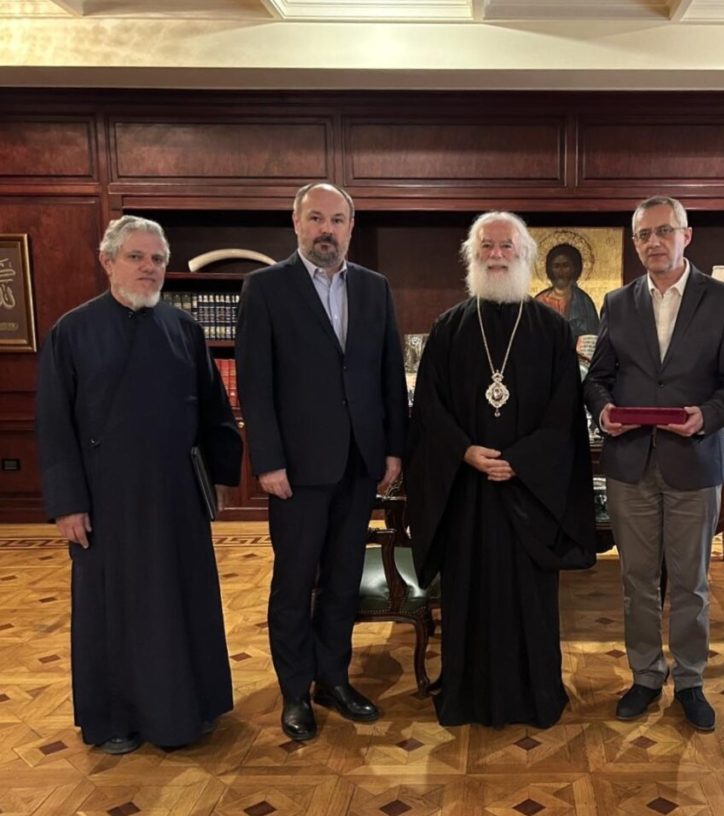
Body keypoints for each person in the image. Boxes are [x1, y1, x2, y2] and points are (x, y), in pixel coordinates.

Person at [35, 216, 242, 755]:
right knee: (116, 611)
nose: (149, 268)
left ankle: (189, 707)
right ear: (108, 262)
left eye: (157, 259)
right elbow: (54, 425)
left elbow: (214, 411)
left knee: (181, 601)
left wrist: (221, 475)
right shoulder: (71, 332)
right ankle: (117, 719)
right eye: (136, 257)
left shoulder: (184, 330)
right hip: (106, 502)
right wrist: (68, 504)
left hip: (177, 496)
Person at [405, 211, 596, 729]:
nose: (496, 254)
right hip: (466, 490)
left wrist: (520, 460)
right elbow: (429, 408)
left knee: (528, 598)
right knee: (468, 593)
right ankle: (466, 696)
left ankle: (535, 696)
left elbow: (565, 410)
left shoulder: (552, 330)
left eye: (506, 246)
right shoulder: (449, 327)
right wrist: (465, 451)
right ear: (472, 256)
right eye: (486, 246)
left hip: (527, 493)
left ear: (525, 255)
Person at [236, 182, 406, 741]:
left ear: (351, 227)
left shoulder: (375, 288)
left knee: (342, 580)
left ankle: (333, 678)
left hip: (359, 462)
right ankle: (294, 691)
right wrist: (268, 462)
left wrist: (393, 448)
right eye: (315, 218)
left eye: (336, 220)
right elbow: (255, 385)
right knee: (293, 582)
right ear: (296, 223)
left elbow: (388, 374)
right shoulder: (265, 287)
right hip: (296, 469)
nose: (326, 229)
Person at [584, 196, 724, 730]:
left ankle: (690, 680)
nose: (653, 242)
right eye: (643, 235)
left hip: (693, 461)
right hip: (630, 464)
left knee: (690, 583)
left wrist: (707, 416)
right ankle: (645, 675)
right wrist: (603, 411)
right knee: (636, 581)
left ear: (686, 235)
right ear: (635, 243)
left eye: (664, 231)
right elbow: (597, 377)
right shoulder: (617, 303)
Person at [534, 243, 600, 339]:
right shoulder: (540, 301)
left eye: (565, 266)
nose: (560, 271)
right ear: (550, 269)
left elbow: (593, 334)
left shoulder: (584, 301)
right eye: (556, 266)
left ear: (574, 268)